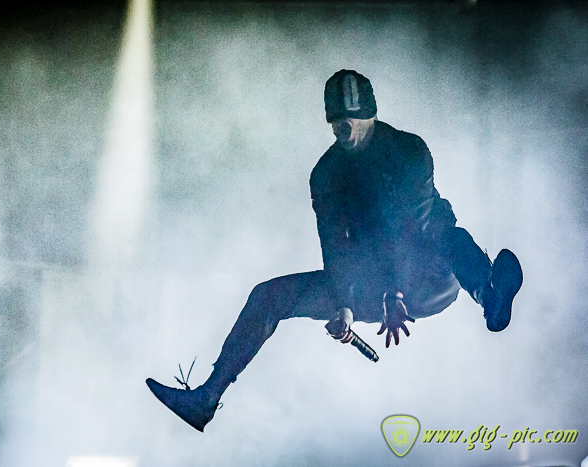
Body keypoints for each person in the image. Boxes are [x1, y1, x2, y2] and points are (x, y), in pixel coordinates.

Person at [146, 69, 523, 432]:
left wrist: (395, 292)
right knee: (268, 296)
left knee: (450, 237)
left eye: (353, 122)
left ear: (370, 115)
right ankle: (206, 399)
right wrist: (344, 303)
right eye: (337, 123)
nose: (345, 131)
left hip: (427, 277)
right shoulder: (326, 174)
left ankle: (488, 295)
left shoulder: (410, 151)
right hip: (367, 285)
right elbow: (335, 247)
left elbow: (414, 229)